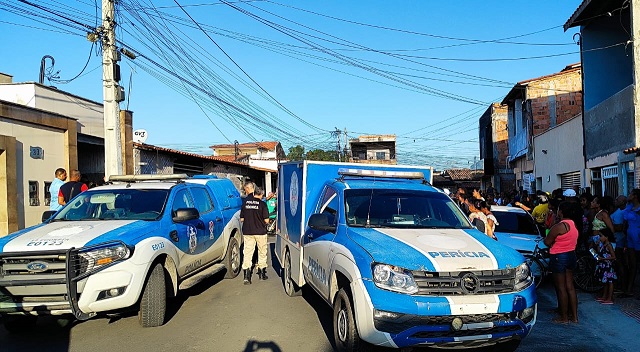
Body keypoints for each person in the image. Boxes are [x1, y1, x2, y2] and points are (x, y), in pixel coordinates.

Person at [544, 201, 582, 324]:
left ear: (561, 212)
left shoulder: (560, 226)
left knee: (561, 288)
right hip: (571, 255)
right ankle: (574, 317)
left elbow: (547, 241)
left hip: (559, 256)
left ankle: (564, 317)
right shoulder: (573, 224)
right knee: (570, 287)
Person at [240, 183, 270, 285]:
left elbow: (242, 218)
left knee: (248, 253)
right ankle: (262, 274)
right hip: (260, 232)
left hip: (248, 231)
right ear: (261, 194)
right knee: (262, 252)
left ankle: (246, 277)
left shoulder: (245, 203)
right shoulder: (262, 204)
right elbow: (266, 220)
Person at [623, 189, 640, 297]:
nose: (628, 195)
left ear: (635, 196)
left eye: (630, 194)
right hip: (630, 237)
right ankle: (629, 289)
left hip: (638, 236)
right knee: (632, 264)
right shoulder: (628, 208)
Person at [610, 195, 629, 294]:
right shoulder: (619, 212)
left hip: (619, 240)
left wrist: (609, 225)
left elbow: (620, 227)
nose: (615, 200)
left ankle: (622, 285)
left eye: (617, 199)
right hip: (619, 239)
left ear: (623, 202)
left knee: (619, 262)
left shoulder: (620, 213)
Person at [593, 232, 617, 305]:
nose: (600, 238)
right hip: (603, 266)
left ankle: (609, 298)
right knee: (605, 282)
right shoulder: (603, 245)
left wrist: (603, 259)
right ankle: (604, 296)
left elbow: (614, 256)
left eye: (601, 236)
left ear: (606, 237)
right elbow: (599, 252)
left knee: (610, 282)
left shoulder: (609, 245)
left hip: (608, 266)